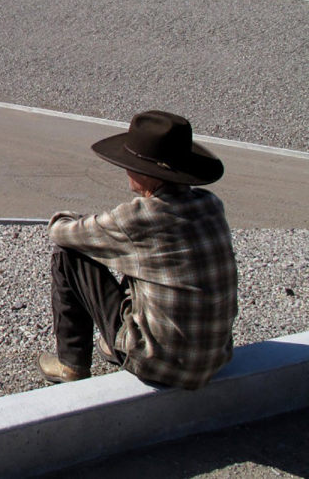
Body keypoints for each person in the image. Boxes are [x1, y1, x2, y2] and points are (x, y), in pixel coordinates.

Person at [38, 110, 238, 390]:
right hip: (214, 358)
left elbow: (60, 231)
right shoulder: (210, 204)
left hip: (157, 364)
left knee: (68, 254)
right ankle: (113, 344)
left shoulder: (139, 219)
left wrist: (73, 217)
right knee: (140, 262)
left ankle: (71, 365)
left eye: (130, 164)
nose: (126, 170)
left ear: (147, 172)